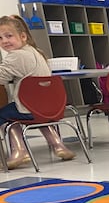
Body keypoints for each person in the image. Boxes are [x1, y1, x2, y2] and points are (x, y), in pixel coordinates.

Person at [0, 15, 75, 169]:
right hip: (50, 107)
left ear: (23, 36)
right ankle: (58, 145)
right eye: (0, 38)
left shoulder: (16, 56)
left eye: (9, 36)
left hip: (31, 109)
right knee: (37, 114)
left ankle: (19, 151)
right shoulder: (36, 52)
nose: (4, 41)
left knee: (4, 114)